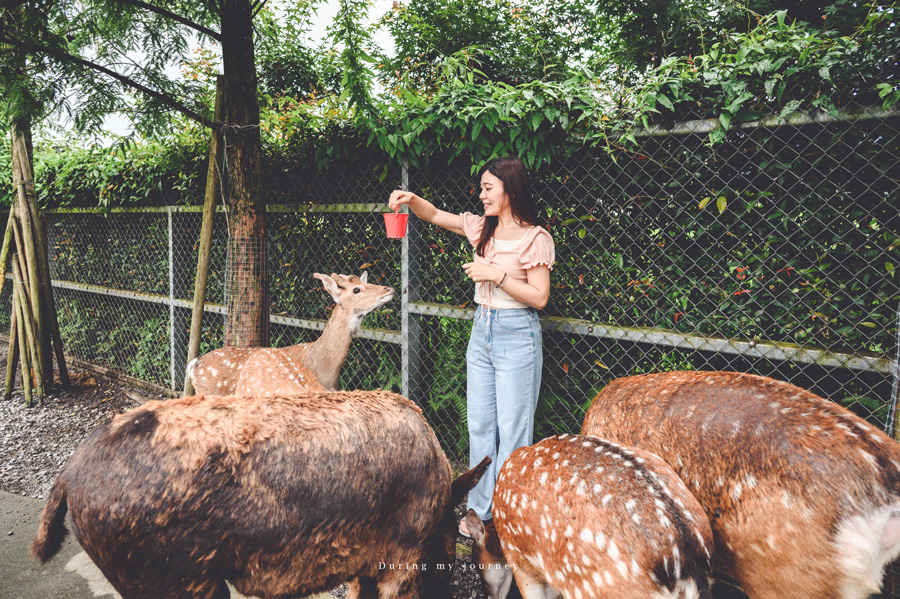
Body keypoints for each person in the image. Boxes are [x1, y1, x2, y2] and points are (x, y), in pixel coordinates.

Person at [388, 156, 555, 537]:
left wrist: (495, 274)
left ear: (510, 191)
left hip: (517, 333)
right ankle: (479, 511)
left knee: (513, 429)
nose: (480, 195)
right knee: (480, 425)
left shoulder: (535, 237)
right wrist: (412, 198)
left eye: (487, 188)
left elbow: (540, 297)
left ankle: (510, 515)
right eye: (481, 188)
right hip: (482, 331)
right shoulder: (482, 229)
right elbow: (434, 216)